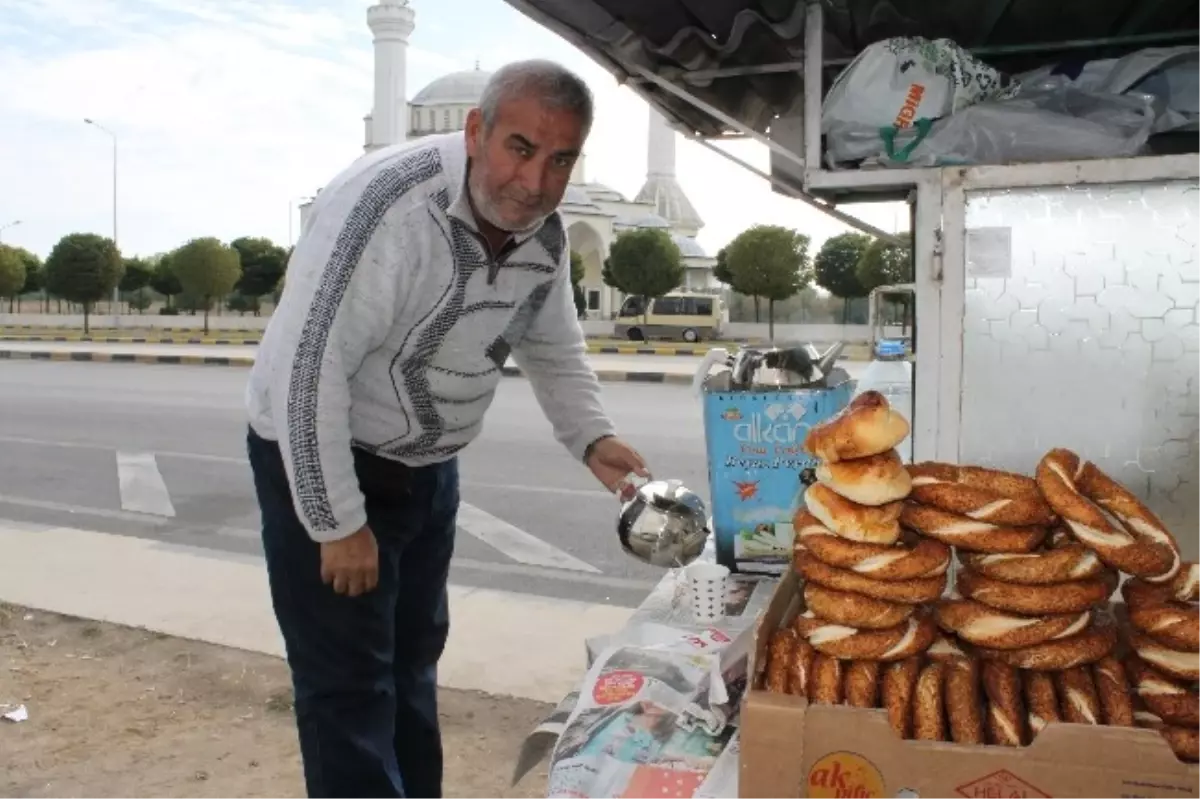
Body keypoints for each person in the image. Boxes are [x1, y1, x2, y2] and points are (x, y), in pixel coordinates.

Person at [244, 59, 649, 799]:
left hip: (427, 469)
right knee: (347, 683)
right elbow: (308, 370)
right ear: (475, 132)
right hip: (324, 455)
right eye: (520, 148)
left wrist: (593, 438)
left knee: (411, 661)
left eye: (560, 159)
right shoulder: (389, 209)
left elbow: (553, 345)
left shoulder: (543, 234)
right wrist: (337, 521)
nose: (534, 180)